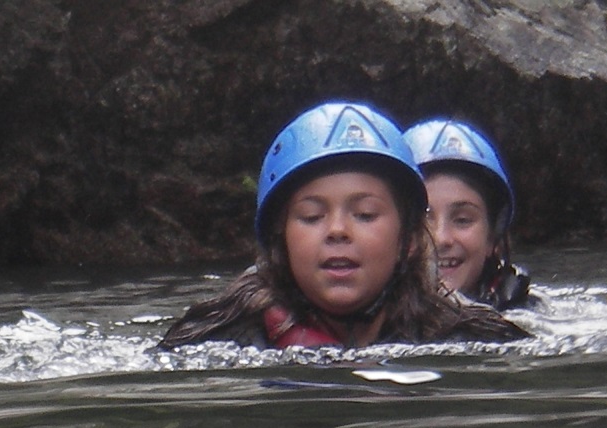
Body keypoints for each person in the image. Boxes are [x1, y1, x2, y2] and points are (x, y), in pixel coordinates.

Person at [159, 102, 529, 349]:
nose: (338, 230)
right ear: (280, 239)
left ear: (409, 242)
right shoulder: (218, 336)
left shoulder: (466, 334)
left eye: (365, 214)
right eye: (311, 216)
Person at [403, 118, 533, 310]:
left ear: (493, 240)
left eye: (462, 220)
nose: (440, 238)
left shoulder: (525, 318)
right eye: (423, 221)